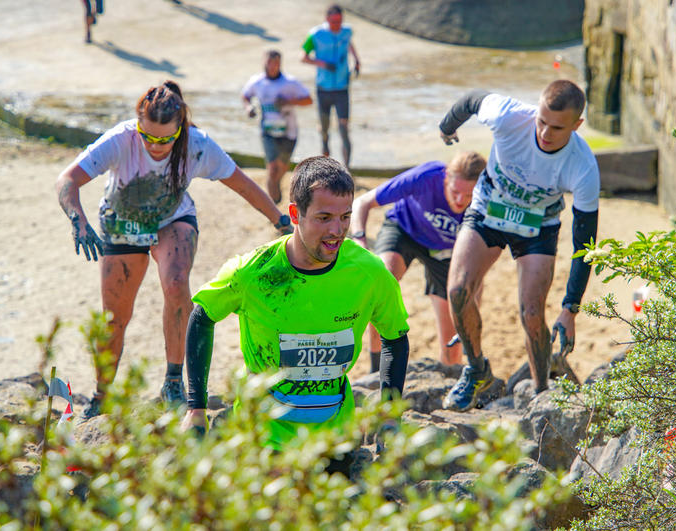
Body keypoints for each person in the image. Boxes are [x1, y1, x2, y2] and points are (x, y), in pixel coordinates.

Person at [55, 80, 292, 419]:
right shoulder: (121, 139)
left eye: (165, 139)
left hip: (173, 220)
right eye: (148, 136)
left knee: (177, 283)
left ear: (180, 128)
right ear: (138, 124)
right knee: (115, 318)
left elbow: (242, 183)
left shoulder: (197, 145)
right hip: (123, 225)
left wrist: (280, 220)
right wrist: (77, 219)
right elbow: (67, 179)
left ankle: (173, 382)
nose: (155, 145)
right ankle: (102, 394)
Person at [181, 156, 410, 450]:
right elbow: (201, 317)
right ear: (295, 213)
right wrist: (196, 409)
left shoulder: (370, 273)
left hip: (334, 438)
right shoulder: (253, 273)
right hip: (263, 436)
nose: (337, 231)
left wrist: (390, 416)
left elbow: (395, 337)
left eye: (345, 217)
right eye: (324, 218)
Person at [438, 79, 600, 411]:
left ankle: (541, 390)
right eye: (541, 121)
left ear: (577, 125)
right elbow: (471, 98)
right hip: (488, 210)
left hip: (537, 226)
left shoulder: (583, 166)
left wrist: (570, 308)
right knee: (457, 291)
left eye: (557, 127)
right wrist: (447, 127)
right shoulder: (509, 116)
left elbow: (585, 243)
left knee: (531, 312)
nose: (544, 133)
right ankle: (475, 369)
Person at [349, 151, 486, 369]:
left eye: (469, 196)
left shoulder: (487, 201)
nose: (460, 201)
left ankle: (448, 377)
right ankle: (376, 369)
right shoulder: (427, 176)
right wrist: (360, 242)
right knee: (382, 283)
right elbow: (362, 203)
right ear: (446, 178)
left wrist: (469, 309)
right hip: (405, 230)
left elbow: (477, 270)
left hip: (447, 252)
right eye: (455, 191)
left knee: (454, 339)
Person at [242, 50, 313, 204]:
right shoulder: (257, 82)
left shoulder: (290, 83)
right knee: (272, 168)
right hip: (267, 131)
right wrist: (248, 108)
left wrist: (289, 101)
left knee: (282, 167)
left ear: (280, 64)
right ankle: (272, 204)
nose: (273, 66)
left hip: (289, 131)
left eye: (276, 63)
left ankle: (275, 185)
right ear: (264, 62)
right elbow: (245, 95)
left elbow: (308, 100)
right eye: (270, 63)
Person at [301, 4, 360, 168]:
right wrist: (323, 64)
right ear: (327, 19)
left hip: (342, 87)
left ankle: (347, 169)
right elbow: (303, 57)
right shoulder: (316, 34)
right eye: (334, 21)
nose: (337, 25)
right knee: (325, 129)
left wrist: (356, 60)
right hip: (323, 88)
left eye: (339, 21)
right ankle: (326, 164)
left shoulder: (347, 31)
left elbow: (349, 43)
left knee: (344, 128)